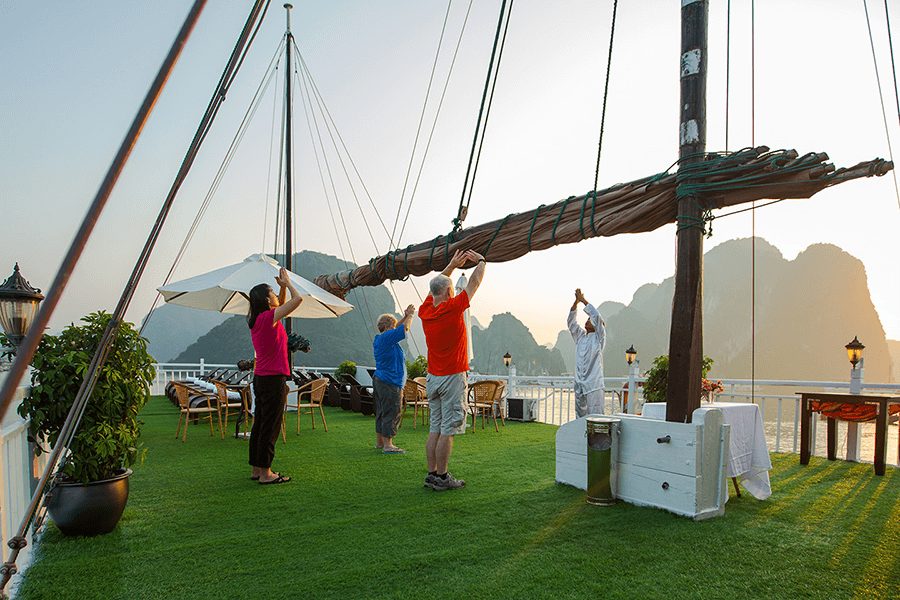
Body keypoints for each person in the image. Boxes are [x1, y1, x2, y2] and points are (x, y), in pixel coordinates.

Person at [418, 249, 486, 491]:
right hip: (452, 378)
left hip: (433, 379)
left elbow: (433, 289)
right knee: (447, 430)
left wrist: (451, 266)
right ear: (450, 291)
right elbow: (475, 282)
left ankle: (431, 475)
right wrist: (481, 261)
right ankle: (443, 478)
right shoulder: (454, 307)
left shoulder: (425, 312)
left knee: (435, 428)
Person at [246, 267, 302, 485]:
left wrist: (280, 289)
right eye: (272, 293)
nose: (275, 296)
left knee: (260, 423)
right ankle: (267, 474)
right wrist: (288, 284)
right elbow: (297, 300)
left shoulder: (258, 319)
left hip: (261, 377)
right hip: (273, 378)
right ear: (267, 301)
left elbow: (282, 304)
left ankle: (257, 469)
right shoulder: (268, 318)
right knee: (270, 425)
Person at [372, 304, 416, 453]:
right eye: (392, 326)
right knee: (392, 411)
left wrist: (404, 316)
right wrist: (410, 315)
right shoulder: (387, 337)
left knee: (382, 411)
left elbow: (397, 327)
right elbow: (404, 328)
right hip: (390, 381)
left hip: (381, 379)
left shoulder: (382, 338)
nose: (394, 328)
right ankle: (388, 445)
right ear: (387, 328)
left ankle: (380, 443)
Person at [568, 288, 606, 418]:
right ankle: (580, 438)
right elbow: (571, 323)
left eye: (590, 320)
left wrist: (584, 300)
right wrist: (576, 303)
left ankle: (597, 438)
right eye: (587, 319)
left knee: (596, 416)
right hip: (579, 383)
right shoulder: (580, 337)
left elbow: (596, 316)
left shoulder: (598, 338)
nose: (588, 320)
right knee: (580, 415)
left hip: (594, 384)